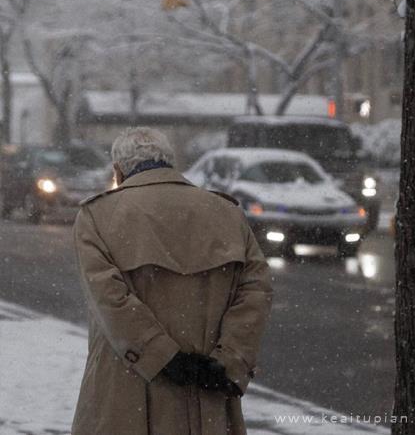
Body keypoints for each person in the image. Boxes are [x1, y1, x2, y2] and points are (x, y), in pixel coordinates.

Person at [72, 127, 273, 435]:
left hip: (127, 392)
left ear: (118, 170)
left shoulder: (98, 217)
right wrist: (228, 360)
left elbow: (110, 299)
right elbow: (255, 291)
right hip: (207, 395)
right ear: (170, 162)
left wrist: (165, 359)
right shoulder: (226, 213)